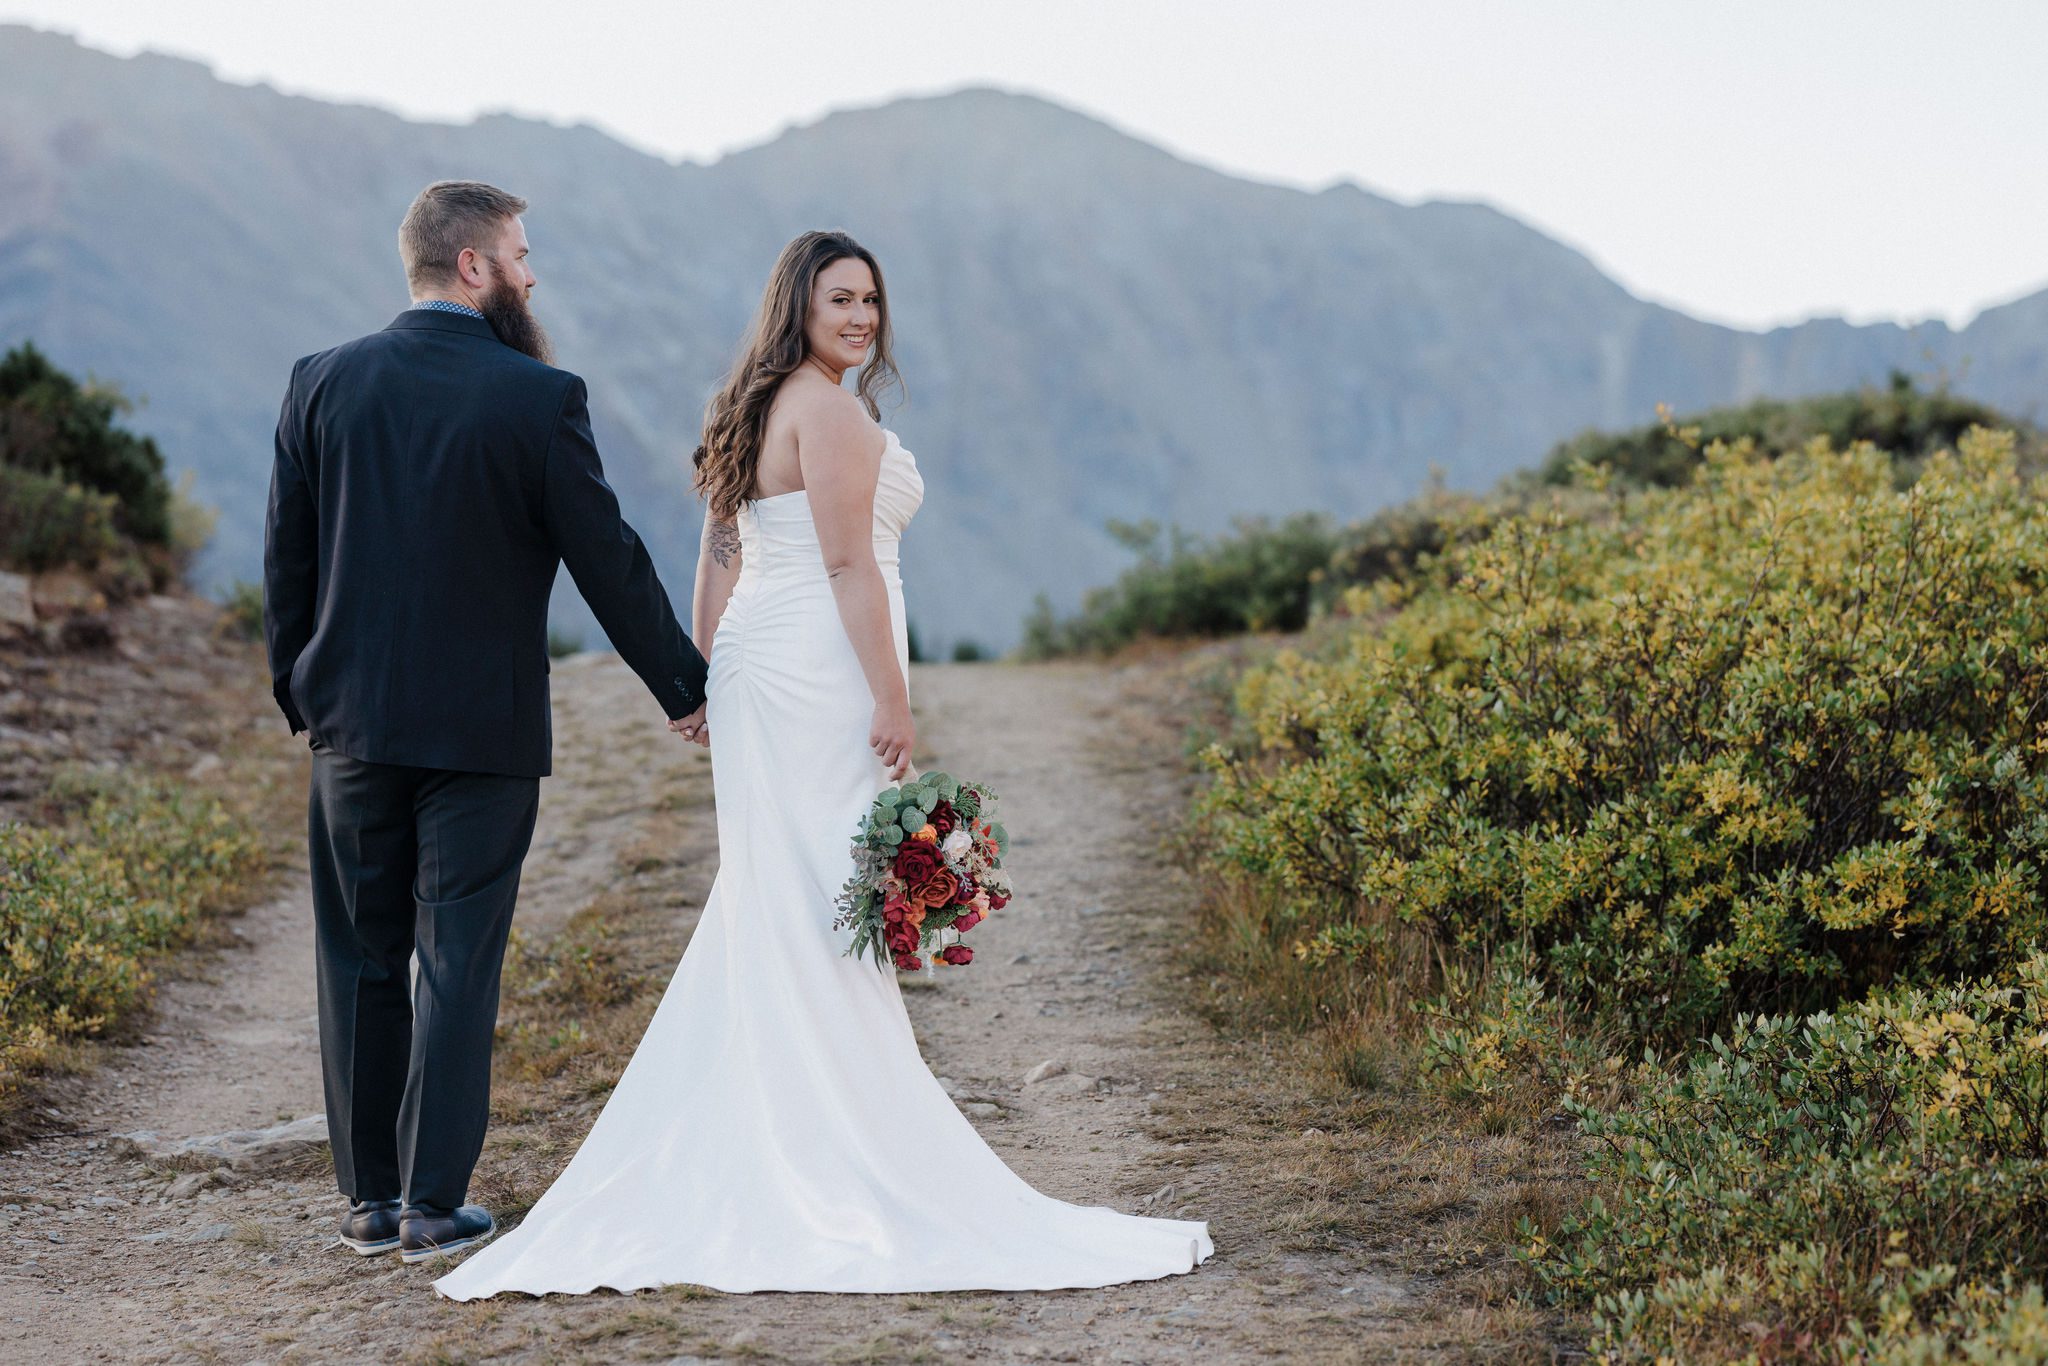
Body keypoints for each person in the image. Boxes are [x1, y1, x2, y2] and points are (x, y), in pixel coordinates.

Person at [432, 230, 1211, 1300]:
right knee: (821, 902)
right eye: (839, 298)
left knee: (781, 895)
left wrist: (705, 673)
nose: (859, 318)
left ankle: (778, 1129)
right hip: (817, 671)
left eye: (872, 303)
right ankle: (831, 1143)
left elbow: (719, 550)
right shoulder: (830, 412)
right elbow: (845, 562)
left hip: (762, 665)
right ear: (794, 304)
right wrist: (891, 693)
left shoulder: (747, 404)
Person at [263, 180, 709, 1265]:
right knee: (456, 957)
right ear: (473, 266)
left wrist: (302, 689)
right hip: (482, 738)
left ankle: (368, 1204)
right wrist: (686, 688)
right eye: (519, 253)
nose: (530, 271)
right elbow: (609, 558)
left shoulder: (321, 382)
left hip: (351, 728)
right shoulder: (536, 396)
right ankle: (430, 1204)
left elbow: (289, 559)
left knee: (359, 960)